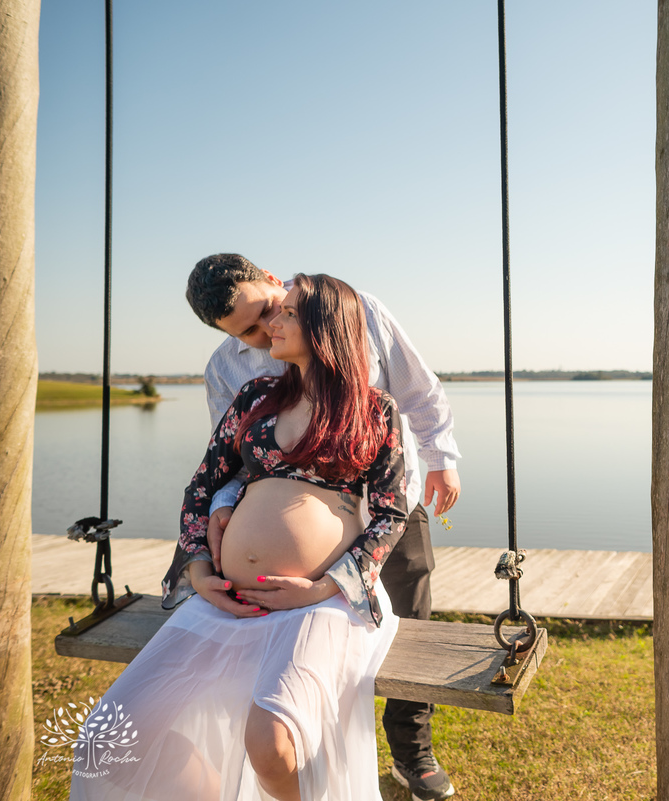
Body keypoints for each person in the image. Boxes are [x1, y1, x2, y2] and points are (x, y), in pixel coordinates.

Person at [71, 274, 408, 800]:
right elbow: (203, 486)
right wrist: (198, 568)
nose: (273, 322)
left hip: (320, 603)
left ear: (326, 324)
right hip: (227, 600)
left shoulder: (374, 410)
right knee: (106, 739)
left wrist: (325, 587)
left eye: (288, 313)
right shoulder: (256, 397)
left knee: (272, 747)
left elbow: (391, 515)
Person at [185, 253, 459, 800]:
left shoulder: (357, 312)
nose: (267, 331)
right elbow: (235, 457)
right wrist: (223, 504)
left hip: (384, 497)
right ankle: (287, 743)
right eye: (248, 331)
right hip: (285, 526)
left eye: (267, 313)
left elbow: (418, 391)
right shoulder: (226, 370)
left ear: (270, 278)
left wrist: (441, 457)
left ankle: (413, 748)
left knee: (411, 617)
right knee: (294, 643)